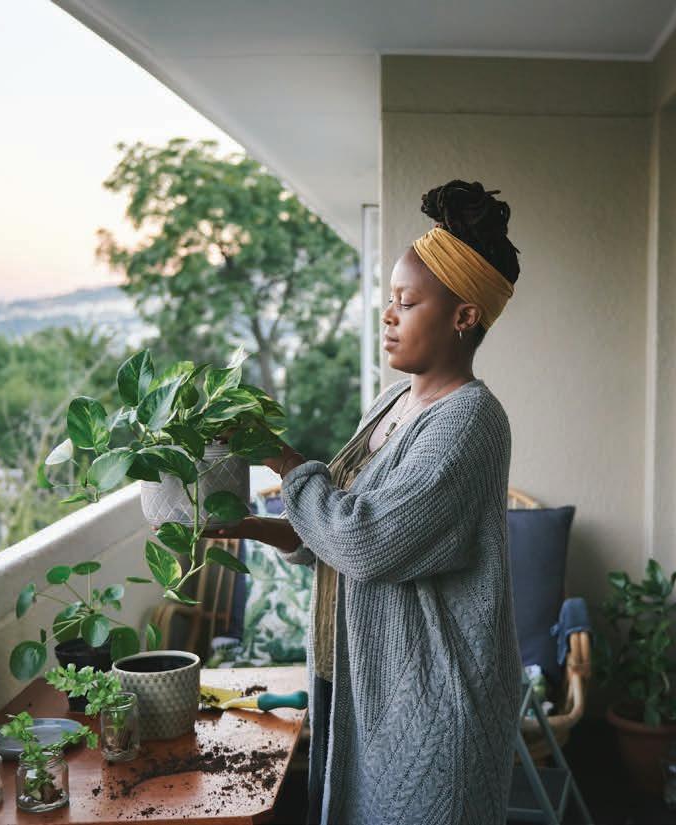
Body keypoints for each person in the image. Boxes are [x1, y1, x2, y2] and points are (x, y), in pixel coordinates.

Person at [206, 180, 522, 824]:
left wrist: (282, 459)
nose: (388, 316)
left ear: (464, 317)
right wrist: (255, 528)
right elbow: (340, 530)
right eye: (389, 301)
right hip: (359, 687)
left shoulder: (469, 422)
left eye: (407, 302)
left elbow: (367, 542)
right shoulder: (393, 402)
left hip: (428, 702)